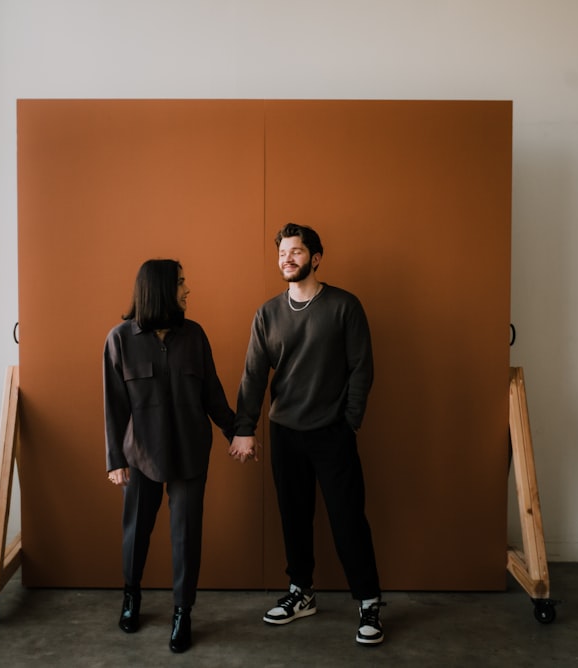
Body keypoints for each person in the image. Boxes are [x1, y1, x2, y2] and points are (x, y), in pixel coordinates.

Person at [228, 222, 385, 646]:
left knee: (348, 518)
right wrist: (245, 428)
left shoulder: (344, 306)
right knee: (293, 517)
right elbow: (253, 376)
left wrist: (350, 419)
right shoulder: (268, 314)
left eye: (296, 252)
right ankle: (302, 592)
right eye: (282, 253)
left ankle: (368, 602)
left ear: (315, 258)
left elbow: (361, 367)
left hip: (332, 432)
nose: (287, 259)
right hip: (285, 433)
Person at [103, 259, 236, 654]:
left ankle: (183, 612)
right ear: (160, 288)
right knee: (136, 533)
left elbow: (212, 392)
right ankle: (131, 596)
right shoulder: (120, 339)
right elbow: (113, 405)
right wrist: (115, 459)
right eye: (181, 283)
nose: (187, 290)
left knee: (186, 535)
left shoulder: (194, 336)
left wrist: (237, 432)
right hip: (140, 454)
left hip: (190, 453)